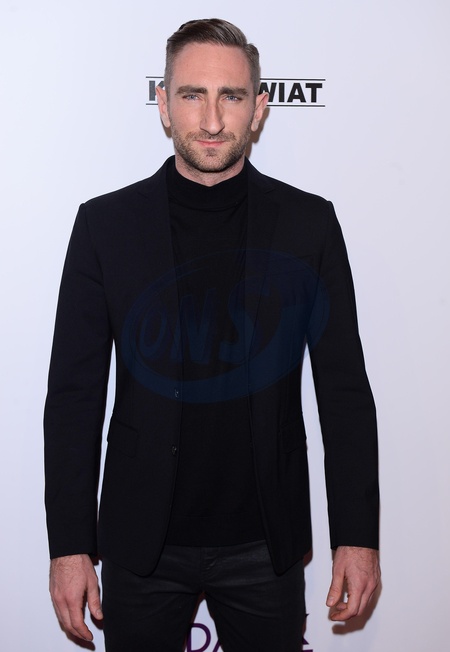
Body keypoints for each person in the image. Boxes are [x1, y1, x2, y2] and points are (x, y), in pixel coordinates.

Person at [44, 18, 380, 652]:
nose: (212, 119)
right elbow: (73, 398)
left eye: (231, 96)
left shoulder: (309, 225)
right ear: (164, 104)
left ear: (260, 107)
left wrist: (357, 538)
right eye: (192, 94)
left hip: (265, 544)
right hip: (140, 544)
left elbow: (343, 392)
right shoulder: (105, 226)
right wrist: (69, 546)